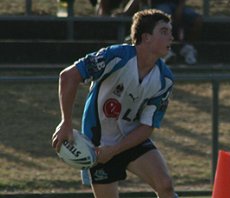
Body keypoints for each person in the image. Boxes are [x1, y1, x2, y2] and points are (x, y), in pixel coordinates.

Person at [52, 9, 178, 198]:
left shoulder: (165, 79)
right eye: (164, 31)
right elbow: (68, 76)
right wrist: (66, 123)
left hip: (132, 141)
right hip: (98, 147)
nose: (172, 37)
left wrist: (116, 149)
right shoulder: (116, 57)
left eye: (170, 31)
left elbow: (147, 126)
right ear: (146, 37)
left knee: (165, 186)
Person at [151, 0, 202, 65]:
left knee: (197, 20)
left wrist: (180, 8)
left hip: (177, 4)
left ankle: (188, 47)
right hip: (160, 4)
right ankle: (164, 50)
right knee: (165, 17)